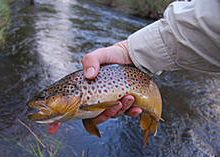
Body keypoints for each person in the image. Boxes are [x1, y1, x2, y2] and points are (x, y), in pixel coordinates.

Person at [47, 0, 220, 134]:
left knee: (145, 116)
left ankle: (151, 118)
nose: (42, 102)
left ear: (69, 91)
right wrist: (126, 53)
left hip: (150, 93)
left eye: (45, 97)